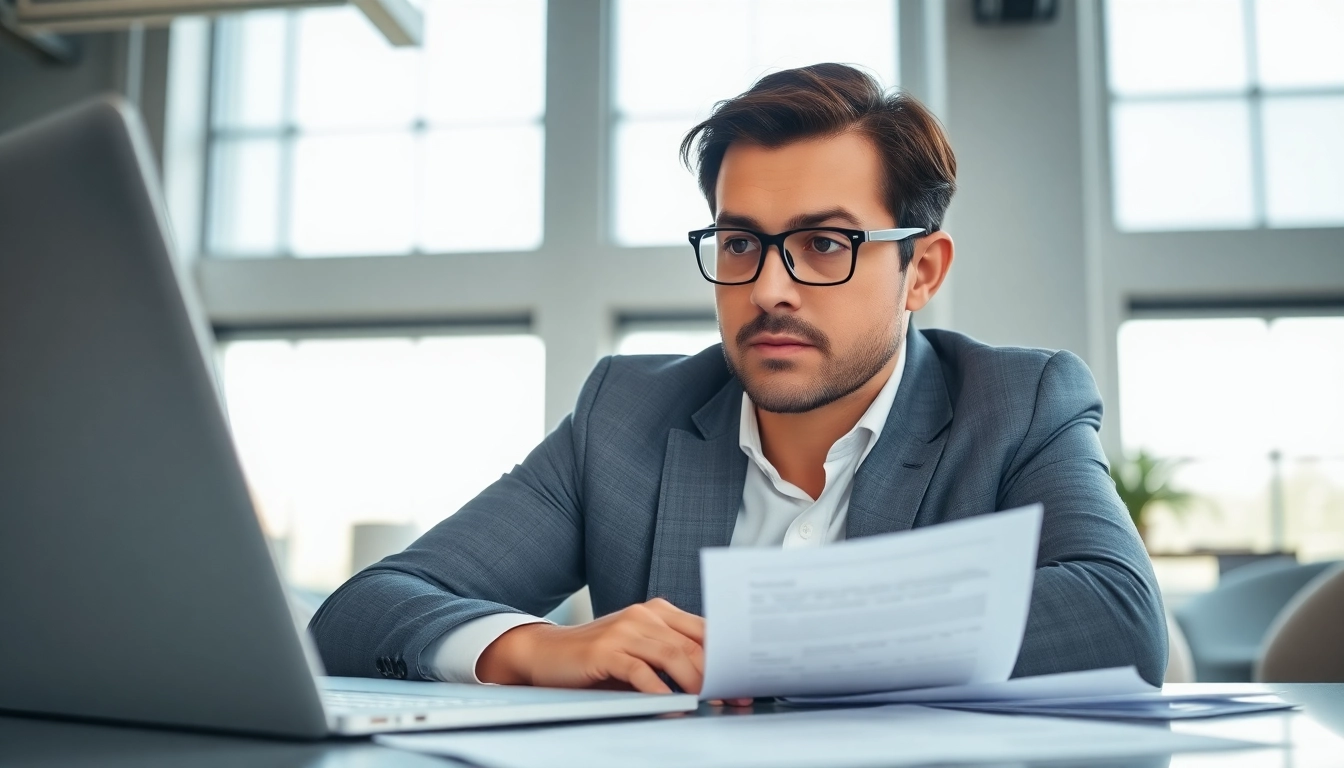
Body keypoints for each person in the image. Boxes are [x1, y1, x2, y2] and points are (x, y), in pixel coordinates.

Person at [310, 63, 1167, 695]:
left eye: (825, 244)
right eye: (739, 242)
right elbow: (363, 612)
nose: (768, 288)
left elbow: (1116, 616)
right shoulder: (626, 416)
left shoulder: (1016, 404)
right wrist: (531, 649)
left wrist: (772, 638)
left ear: (921, 272)